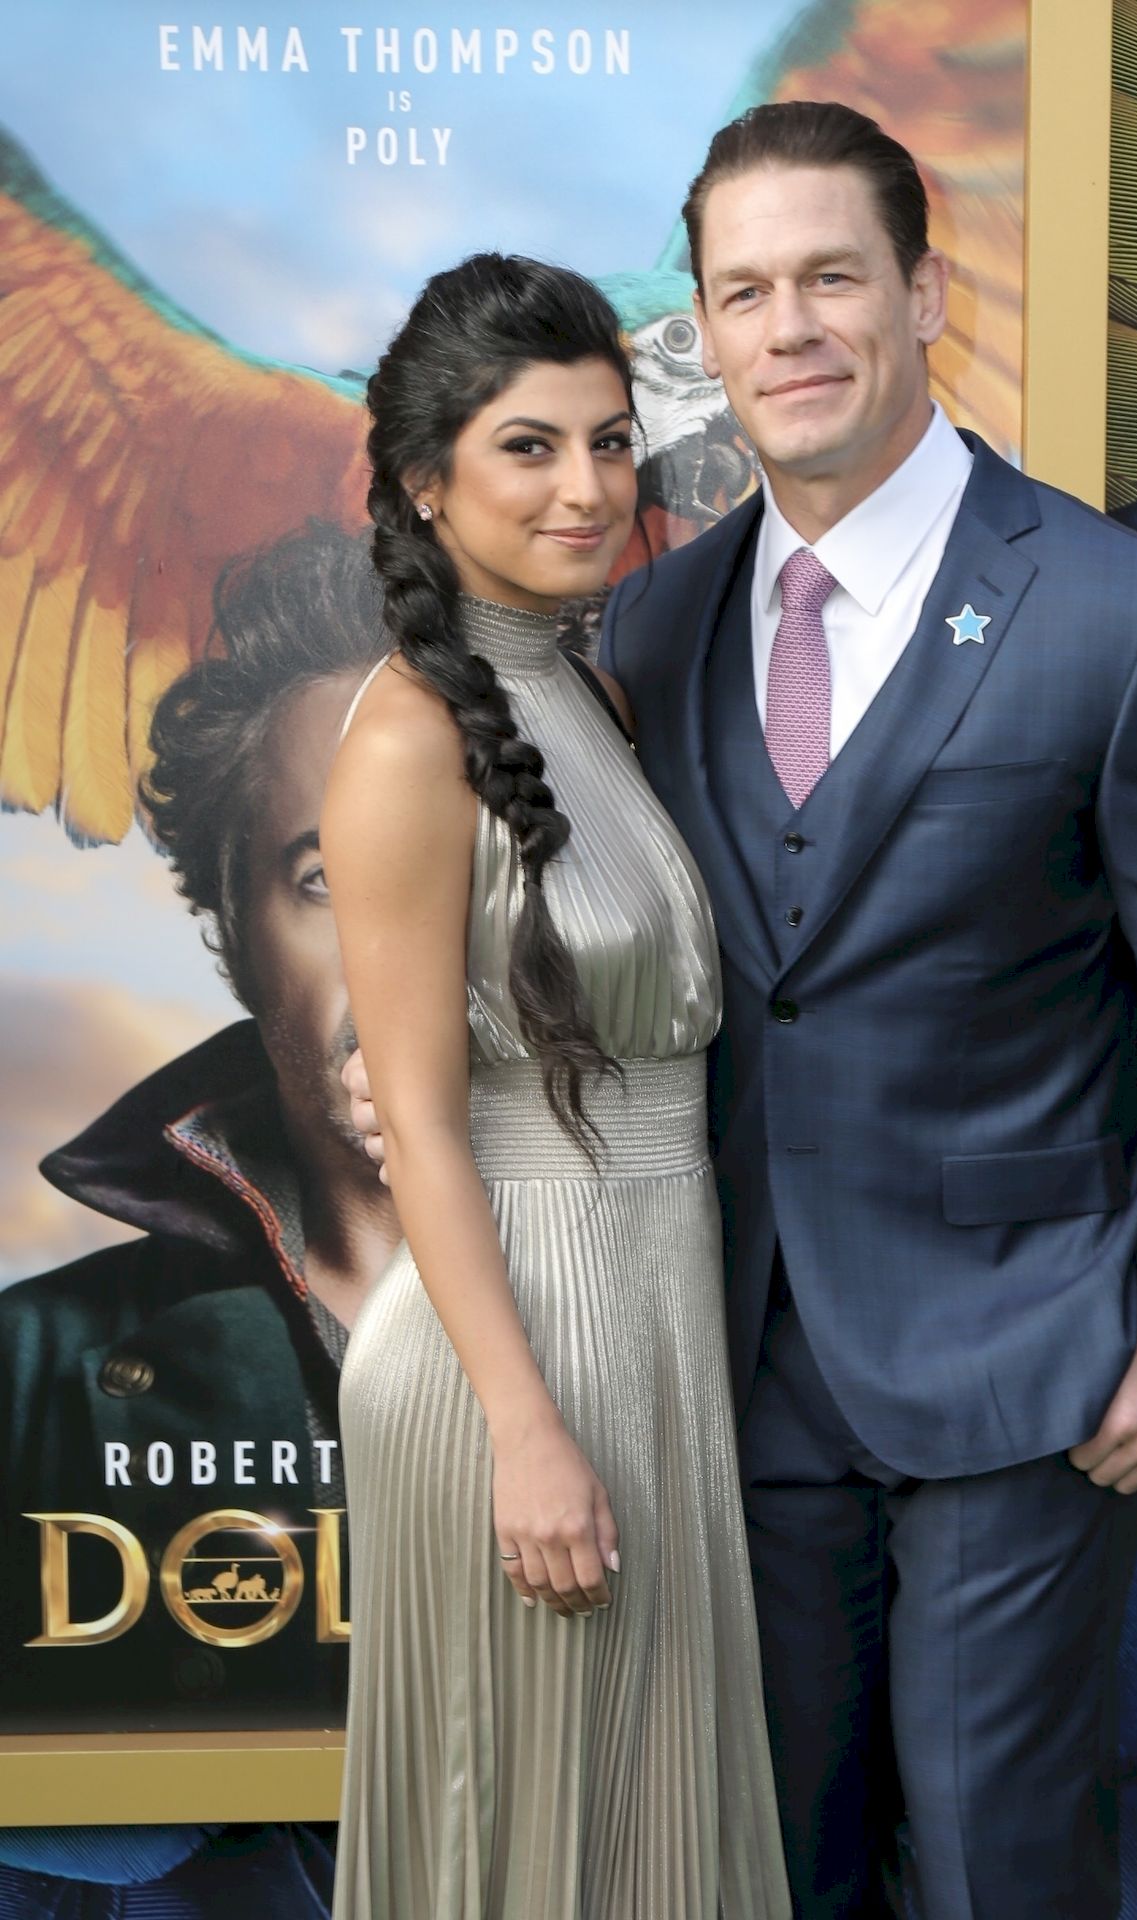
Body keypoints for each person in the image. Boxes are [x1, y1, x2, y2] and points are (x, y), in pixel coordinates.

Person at [593, 103, 1137, 1920]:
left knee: (1003, 1872)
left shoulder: (1127, 615)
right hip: (743, 1370)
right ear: (706, 332)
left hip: (1032, 1364)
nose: (790, 329)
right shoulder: (655, 629)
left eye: (832, 277)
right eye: (744, 292)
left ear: (925, 295)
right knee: (781, 1872)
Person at [322, 254, 788, 1919]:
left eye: (608, 441)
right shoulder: (407, 740)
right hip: (517, 1347)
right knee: (524, 1844)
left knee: (644, 1839)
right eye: (529, 447)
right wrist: (526, 1433)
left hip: (651, 1313)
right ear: (422, 483)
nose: (588, 489)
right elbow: (422, 1126)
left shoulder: (585, 687)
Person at [0, 522, 396, 1914]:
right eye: (327, 881)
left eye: (471, 862)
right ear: (233, 928)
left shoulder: (767, 1349)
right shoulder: (29, 1382)